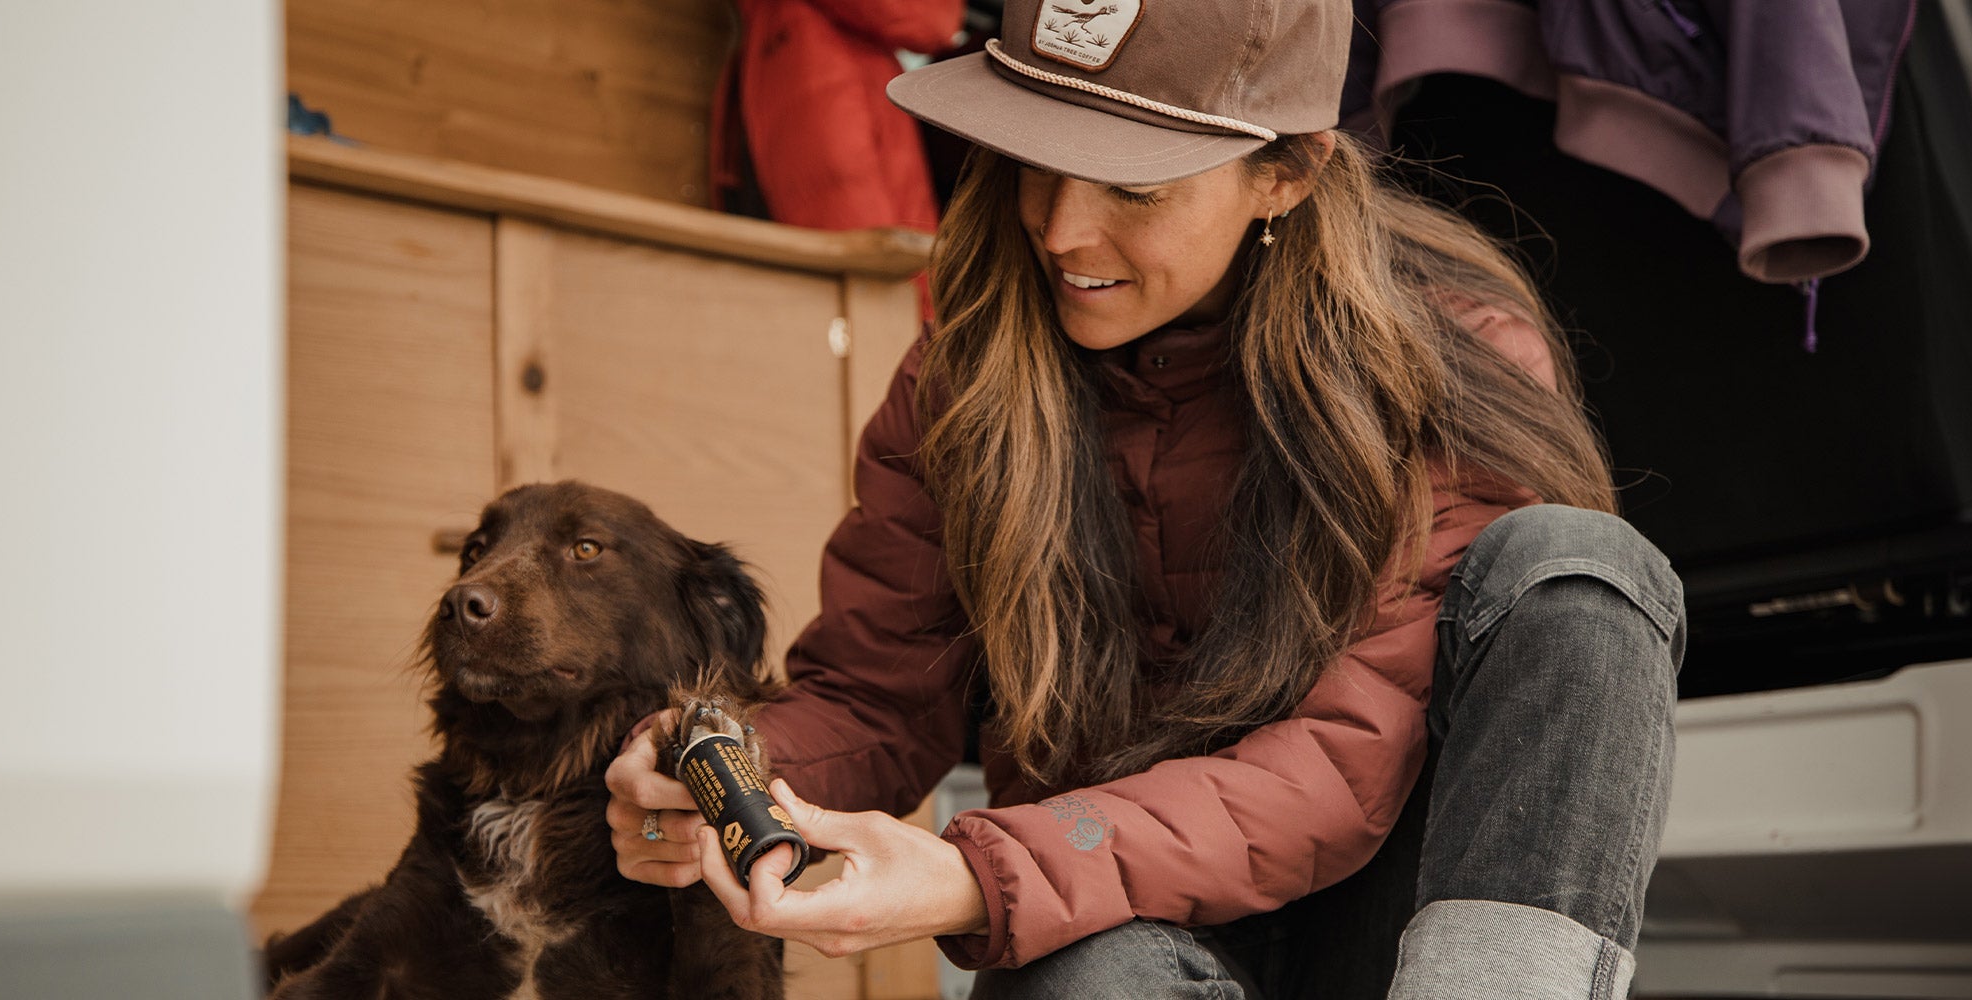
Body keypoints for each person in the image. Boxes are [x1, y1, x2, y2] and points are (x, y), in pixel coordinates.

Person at [606, 0, 1684, 995]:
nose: (1063, 229)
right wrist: (733, 774)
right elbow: (881, 697)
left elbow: (1341, 757)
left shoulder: (1454, 363)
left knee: (1580, 572)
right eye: (1038, 157)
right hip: (1116, 941)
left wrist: (983, 872)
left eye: (1132, 183)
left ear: (1286, 174)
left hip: (1393, 941)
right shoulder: (961, 379)